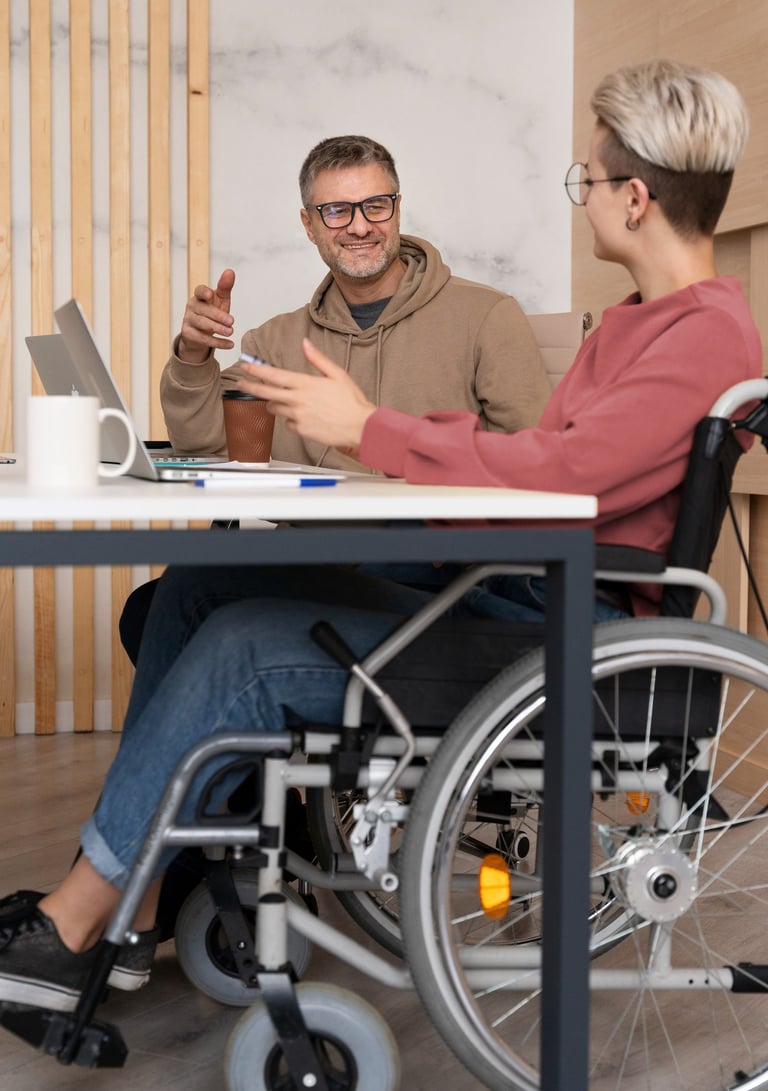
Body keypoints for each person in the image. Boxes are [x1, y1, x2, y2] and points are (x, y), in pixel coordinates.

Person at [0, 59, 761, 1013]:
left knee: (245, 643)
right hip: (509, 579)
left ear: (637, 199)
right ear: (308, 222)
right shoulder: (639, 328)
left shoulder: (700, 337)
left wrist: (371, 430)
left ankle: (73, 922)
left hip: (559, 623)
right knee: (201, 585)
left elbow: (559, 479)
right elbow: (548, 465)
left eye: (591, 180)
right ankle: (132, 887)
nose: (585, 199)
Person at [118, 132, 551, 662]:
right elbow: (205, 442)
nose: (361, 225)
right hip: (310, 554)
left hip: (424, 560)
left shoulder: (485, 316)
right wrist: (192, 355)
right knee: (151, 606)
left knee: (206, 599)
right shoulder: (276, 340)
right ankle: (228, 743)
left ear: (397, 208)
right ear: (308, 224)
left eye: (376, 205)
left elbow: (535, 463)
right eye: (337, 211)